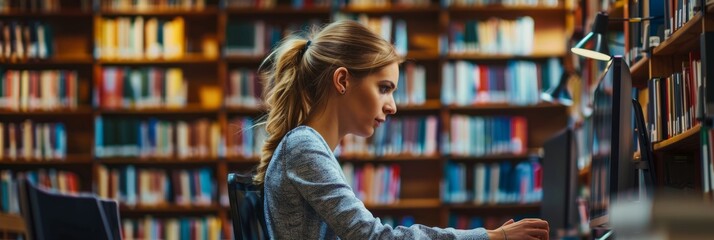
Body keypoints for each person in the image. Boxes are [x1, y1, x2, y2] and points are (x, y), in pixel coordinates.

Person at [253, 20, 550, 239]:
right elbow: (374, 237)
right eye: (384, 89)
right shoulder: (304, 147)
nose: (392, 106)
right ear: (342, 81)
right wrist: (492, 237)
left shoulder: (309, 146)